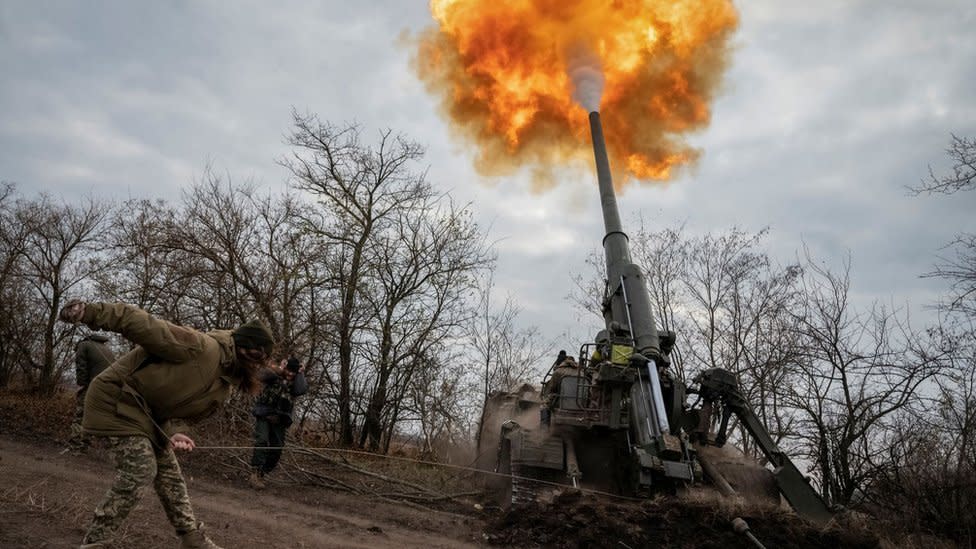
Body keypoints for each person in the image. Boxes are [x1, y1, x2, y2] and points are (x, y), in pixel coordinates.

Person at [58, 300, 274, 549]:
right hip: (116, 398)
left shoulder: (223, 385)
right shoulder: (201, 347)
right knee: (141, 470)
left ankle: (191, 539)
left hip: (148, 414)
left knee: (170, 476)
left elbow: (180, 413)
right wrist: (90, 312)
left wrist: (177, 432)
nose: (259, 368)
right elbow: (142, 324)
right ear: (247, 350)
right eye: (260, 359)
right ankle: (96, 541)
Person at [248, 356, 307, 489]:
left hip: (280, 419)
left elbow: (301, 390)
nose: (290, 374)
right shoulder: (274, 376)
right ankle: (254, 473)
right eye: (288, 371)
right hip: (264, 415)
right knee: (262, 441)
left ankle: (262, 473)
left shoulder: (295, 383)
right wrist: (279, 369)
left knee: (277, 448)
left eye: (293, 372)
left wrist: (301, 373)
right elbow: (260, 376)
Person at [65, 332, 115, 453]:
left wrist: (81, 385)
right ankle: (94, 446)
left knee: (80, 415)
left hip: (94, 386)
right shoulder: (106, 349)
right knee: (99, 417)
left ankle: (76, 447)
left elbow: (81, 367)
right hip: (109, 388)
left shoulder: (83, 345)